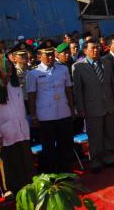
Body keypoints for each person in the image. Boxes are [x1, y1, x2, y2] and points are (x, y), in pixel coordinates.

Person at [0, 54, 34, 195]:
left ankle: (29, 185)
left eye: (9, 65)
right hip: (4, 133)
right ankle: (12, 190)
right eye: (5, 65)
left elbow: (21, 109)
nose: (9, 67)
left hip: (21, 130)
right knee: (9, 163)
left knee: (25, 160)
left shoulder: (15, 86)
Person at [73, 39, 114, 173]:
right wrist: (80, 108)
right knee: (95, 136)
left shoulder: (106, 62)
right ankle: (95, 162)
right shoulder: (78, 67)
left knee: (109, 133)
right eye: (93, 48)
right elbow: (78, 90)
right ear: (85, 50)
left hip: (109, 104)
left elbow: (112, 84)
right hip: (92, 107)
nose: (96, 50)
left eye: (98, 47)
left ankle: (108, 158)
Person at [26, 43, 75, 173]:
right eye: (46, 55)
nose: (50, 57)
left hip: (63, 111)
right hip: (45, 115)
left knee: (65, 143)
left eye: (52, 54)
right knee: (49, 147)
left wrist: (71, 107)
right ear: (39, 56)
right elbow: (31, 96)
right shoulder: (34, 73)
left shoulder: (63, 69)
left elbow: (68, 90)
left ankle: (66, 171)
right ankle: (52, 173)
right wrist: (34, 115)